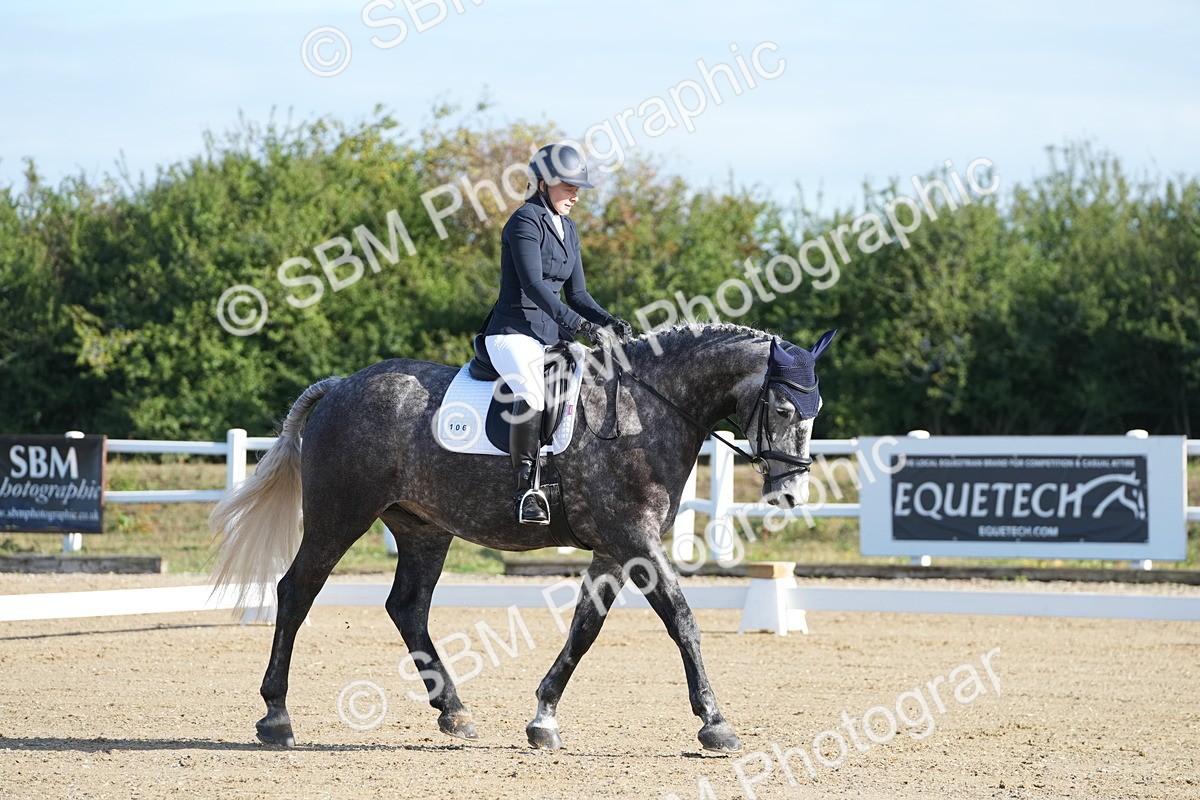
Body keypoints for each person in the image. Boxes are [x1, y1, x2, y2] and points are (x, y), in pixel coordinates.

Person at [482, 143, 634, 524]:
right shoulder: (524, 222)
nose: (576, 195)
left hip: (550, 337)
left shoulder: (568, 228)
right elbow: (534, 286)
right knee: (532, 390)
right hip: (512, 333)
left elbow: (577, 293)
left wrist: (607, 320)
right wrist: (581, 327)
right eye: (569, 187)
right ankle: (526, 489)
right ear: (544, 183)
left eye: (578, 188)